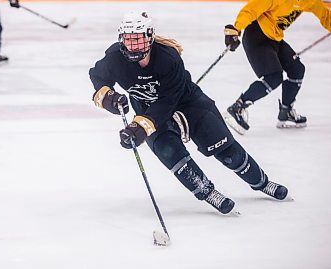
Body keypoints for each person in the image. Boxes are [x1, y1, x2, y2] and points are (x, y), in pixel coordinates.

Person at [89, 11, 289, 215]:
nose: (133, 46)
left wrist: (141, 126)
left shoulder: (168, 58)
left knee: (227, 151)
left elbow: (167, 101)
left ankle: (261, 182)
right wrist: (110, 99)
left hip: (188, 103)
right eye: (128, 40)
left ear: (149, 36)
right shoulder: (115, 57)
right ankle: (208, 192)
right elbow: (97, 75)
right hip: (147, 112)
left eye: (138, 40)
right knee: (170, 152)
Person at [223, 0, 331, 134]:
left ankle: (286, 111)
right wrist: (235, 29)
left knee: (297, 70)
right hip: (257, 37)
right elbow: (250, 9)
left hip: (275, 38)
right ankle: (237, 108)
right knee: (273, 77)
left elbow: (325, 16)